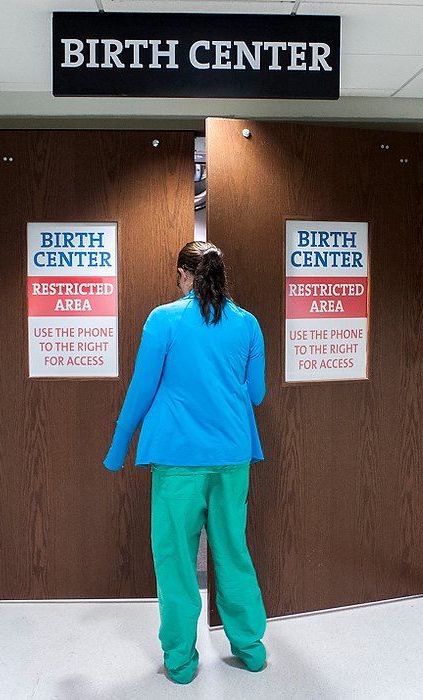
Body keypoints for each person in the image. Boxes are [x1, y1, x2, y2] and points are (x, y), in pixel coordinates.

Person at [103, 240, 267, 684]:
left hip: (176, 460)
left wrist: (119, 447)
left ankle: (180, 661)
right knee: (233, 551)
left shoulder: (164, 320)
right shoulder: (248, 325)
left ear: (183, 273)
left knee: (175, 559)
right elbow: (256, 395)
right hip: (232, 458)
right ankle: (250, 648)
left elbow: (141, 389)